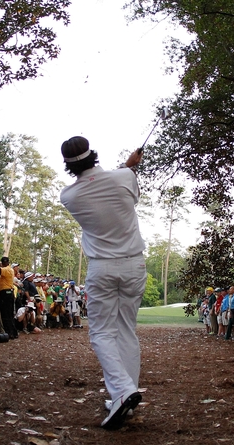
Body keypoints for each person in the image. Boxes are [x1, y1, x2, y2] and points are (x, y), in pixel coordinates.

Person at [59, 136, 146, 430]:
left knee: (101, 333)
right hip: (134, 264)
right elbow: (123, 190)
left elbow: (98, 186)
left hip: (102, 268)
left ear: (69, 166)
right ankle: (125, 392)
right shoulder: (125, 177)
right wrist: (130, 167)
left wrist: (127, 167)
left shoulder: (69, 197)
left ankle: (123, 391)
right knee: (125, 331)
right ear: (93, 155)